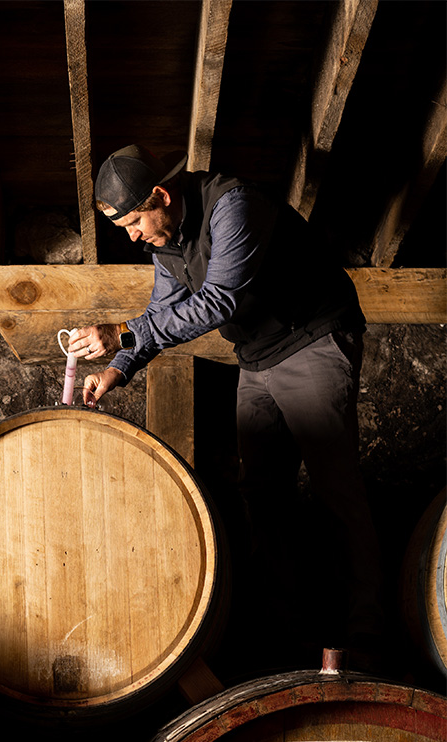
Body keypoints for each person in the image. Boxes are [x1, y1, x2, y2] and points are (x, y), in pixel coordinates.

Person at [67, 144, 384, 665]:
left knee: (335, 485)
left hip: (312, 339)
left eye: (135, 221)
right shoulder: (166, 241)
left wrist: (120, 334)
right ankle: (288, 633)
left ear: (162, 196)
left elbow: (220, 301)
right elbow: (165, 311)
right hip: (256, 357)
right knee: (261, 492)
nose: (132, 235)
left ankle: (364, 632)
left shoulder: (234, 205)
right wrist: (117, 368)